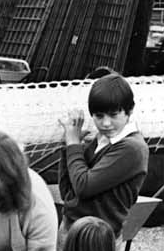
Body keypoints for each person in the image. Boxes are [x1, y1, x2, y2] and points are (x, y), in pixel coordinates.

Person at [57, 70, 149, 238]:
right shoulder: (101, 140)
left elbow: (83, 187)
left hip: (97, 240)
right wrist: (67, 147)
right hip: (71, 229)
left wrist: (73, 143)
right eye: (99, 116)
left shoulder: (132, 148)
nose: (106, 123)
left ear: (129, 111)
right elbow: (67, 194)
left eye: (114, 115)